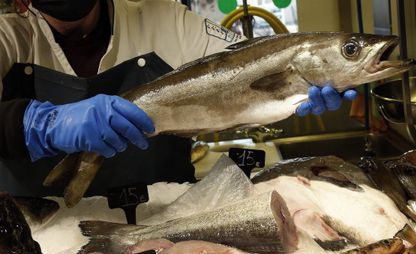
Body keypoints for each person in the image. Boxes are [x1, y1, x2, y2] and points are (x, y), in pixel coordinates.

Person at [0, 0, 357, 197]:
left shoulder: (165, 17)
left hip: (170, 223)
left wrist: (309, 76)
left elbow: (244, 60)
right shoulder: (8, 37)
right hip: (40, 236)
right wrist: (39, 126)